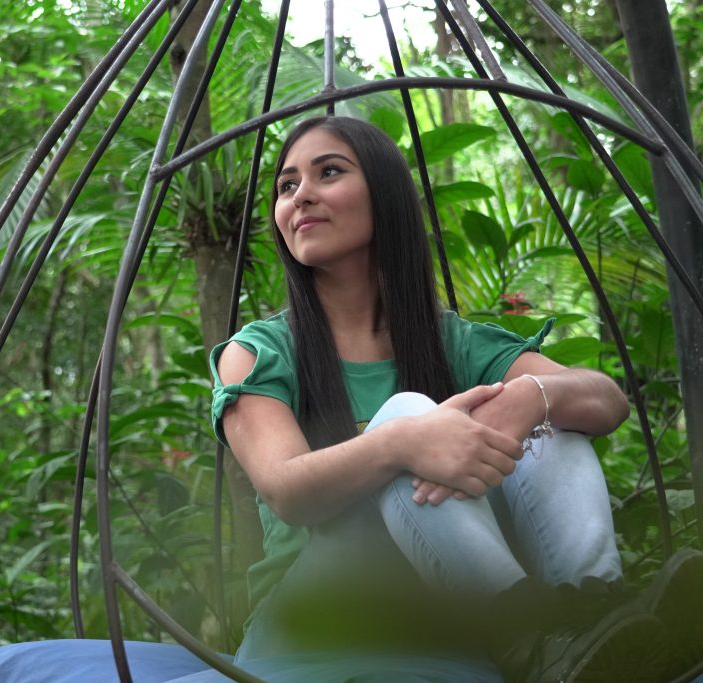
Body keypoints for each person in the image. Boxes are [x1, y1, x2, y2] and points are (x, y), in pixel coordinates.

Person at [209, 115, 702, 683]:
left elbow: (605, 399)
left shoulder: (452, 341)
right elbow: (287, 490)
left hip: (440, 611)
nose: (302, 197)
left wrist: (528, 400)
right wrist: (402, 441)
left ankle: (591, 615)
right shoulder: (259, 352)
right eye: (287, 185)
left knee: (547, 413)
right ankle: (522, 630)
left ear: (386, 195)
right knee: (410, 417)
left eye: (328, 172)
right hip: (316, 617)